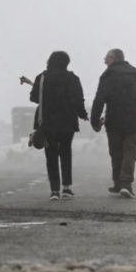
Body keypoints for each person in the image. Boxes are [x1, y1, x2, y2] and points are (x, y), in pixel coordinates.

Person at [22, 51, 87, 199]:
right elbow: (78, 100)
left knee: (50, 154)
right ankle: (67, 188)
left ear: (50, 61)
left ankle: (54, 191)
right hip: (67, 122)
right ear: (67, 63)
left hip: (48, 122)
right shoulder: (73, 78)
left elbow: (34, 98)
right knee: (66, 153)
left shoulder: (42, 77)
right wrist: (83, 115)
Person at [91, 47, 136, 197]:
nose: (104, 60)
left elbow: (99, 99)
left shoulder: (108, 75)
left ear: (112, 58)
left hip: (114, 119)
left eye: (106, 58)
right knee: (130, 152)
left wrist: (95, 120)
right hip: (133, 119)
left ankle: (119, 184)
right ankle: (125, 184)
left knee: (116, 152)